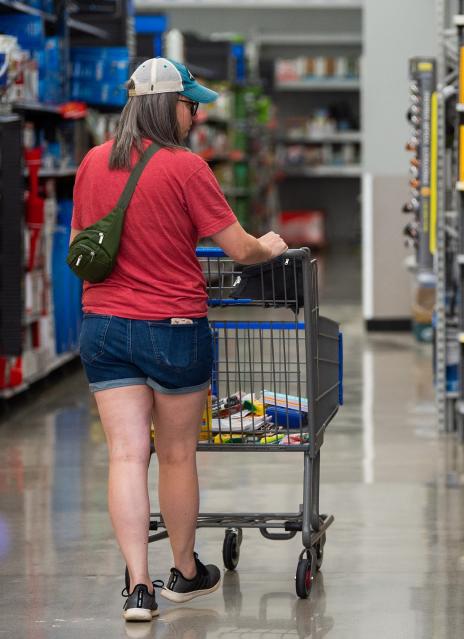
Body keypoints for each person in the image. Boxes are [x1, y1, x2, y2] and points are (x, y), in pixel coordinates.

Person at [70, 57, 287, 623]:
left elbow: (80, 243)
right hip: (174, 328)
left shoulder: (92, 163)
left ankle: (138, 587)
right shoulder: (186, 167)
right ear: (170, 107)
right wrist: (272, 244)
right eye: (192, 105)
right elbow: (240, 249)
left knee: (124, 454)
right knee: (175, 454)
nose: (196, 115)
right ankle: (185, 572)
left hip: (104, 326)